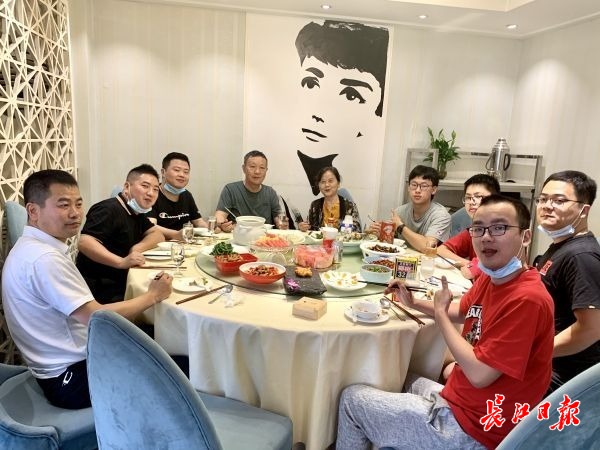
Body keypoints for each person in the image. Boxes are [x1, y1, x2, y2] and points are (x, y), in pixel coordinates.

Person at [336, 195, 554, 450]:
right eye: (478, 228)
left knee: (351, 400)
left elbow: (480, 375)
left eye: (499, 228)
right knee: (400, 377)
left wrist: (439, 315)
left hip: (474, 430)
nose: (486, 237)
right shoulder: (493, 276)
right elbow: (461, 310)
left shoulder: (527, 299)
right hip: (464, 400)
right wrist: (413, 302)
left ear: (525, 237)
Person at [1, 170, 172, 409]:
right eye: (63, 205)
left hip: (62, 364)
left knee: (156, 338)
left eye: (78, 204)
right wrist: (153, 295)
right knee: (180, 365)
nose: (75, 213)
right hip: (70, 379)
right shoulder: (44, 259)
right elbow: (97, 317)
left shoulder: (31, 247)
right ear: (33, 211)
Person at [294, 20, 389, 195]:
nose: (319, 113)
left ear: (376, 112)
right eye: (310, 83)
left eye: (350, 95)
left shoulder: (357, 185)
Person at [534, 170, 600, 393]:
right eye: (543, 199)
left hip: (561, 375)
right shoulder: (561, 246)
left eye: (559, 201)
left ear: (584, 210)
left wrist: (536, 352)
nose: (547, 206)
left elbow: (591, 328)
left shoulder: (581, 256)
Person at [76, 164, 164, 303]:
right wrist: (121, 262)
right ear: (127, 187)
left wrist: (136, 248)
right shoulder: (107, 209)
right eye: (145, 186)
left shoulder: (135, 211)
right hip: (100, 288)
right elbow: (85, 242)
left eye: (155, 189)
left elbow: (157, 234)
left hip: (122, 279)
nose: (151, 193)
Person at [371, 165, 451, 253]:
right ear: (408, 188)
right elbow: (390, 240)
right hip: (404, 258)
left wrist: (400, 226)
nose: (417, 190)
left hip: (430, 260)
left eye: (424, 186)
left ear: (434, 190)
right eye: (414, 185)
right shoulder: (400, 211)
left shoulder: (441, 216)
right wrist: (379, 233)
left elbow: (428, 246)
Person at [438, 174, 500, 280]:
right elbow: (440, 250)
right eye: (468, 197)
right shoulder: (473, 231)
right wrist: (470, 264)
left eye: (478, 196)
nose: (471, 202)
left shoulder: (503, 232)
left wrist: (474, 268)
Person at [215, 150, 283, 232]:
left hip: (263, 237)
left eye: (262, 168)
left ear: (266, 170)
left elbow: (279, 220)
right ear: (244, 169)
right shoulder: (230, 189)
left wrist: (282, 224)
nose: (257, 171)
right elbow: (219, 217)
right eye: (252, 166)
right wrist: (223, 225)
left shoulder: (270, 193)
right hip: (238, 235)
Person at [147, 152, 209, 240]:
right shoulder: (152, 194)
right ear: (163, 172)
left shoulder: (186, 195)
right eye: (176, 170)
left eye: (186, 172)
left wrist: (212, 227)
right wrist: (176, 234)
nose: (182, 175)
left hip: (184, 243)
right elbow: (151, 226)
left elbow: (198, 222)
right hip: (159, 244)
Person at [297, 166, 361, 232]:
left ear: (338, 183)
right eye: (323, 182)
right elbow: (310, 230)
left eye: (330, 181)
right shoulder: (315, 205)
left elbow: (358, 232)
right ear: (319, 185)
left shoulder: (350, 206)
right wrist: (303, 228)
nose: (327, 185)